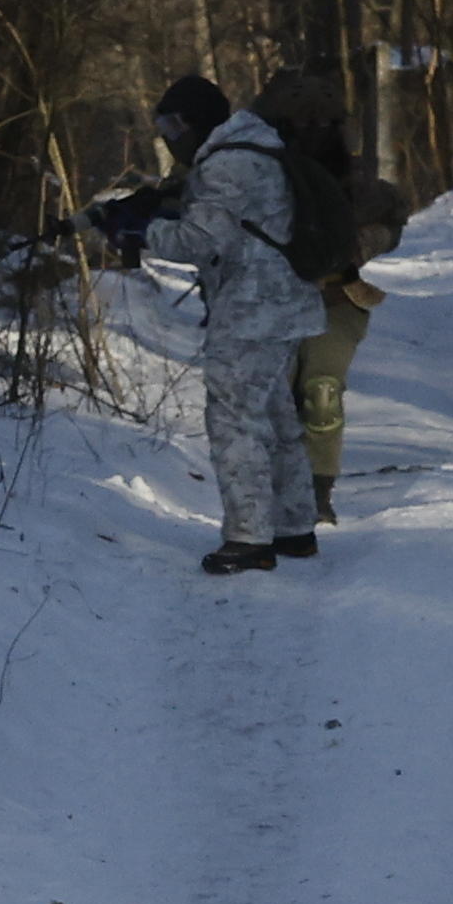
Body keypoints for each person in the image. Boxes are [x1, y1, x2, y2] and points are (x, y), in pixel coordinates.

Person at [138, 72, 328, 573]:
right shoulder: (257, 148)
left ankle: (249, 539)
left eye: (172, 126)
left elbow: (200, 241)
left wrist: (144, 232)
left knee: (234, 420)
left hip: (252, 310)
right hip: (281, 304)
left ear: (194, 123)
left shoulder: (228, 164)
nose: (168, 138)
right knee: (276, 418)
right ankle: (294, 528)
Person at [255, 69, 407, 531]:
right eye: (303, 124)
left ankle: (318, 494)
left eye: (323, 124)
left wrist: (364, 243)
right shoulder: (259, 174)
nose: (314, 133)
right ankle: (274, 491)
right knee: (275, 400)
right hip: (270, 303)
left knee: (321, 394)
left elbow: (391, 214)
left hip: (336, 300)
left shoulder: (354, 179)